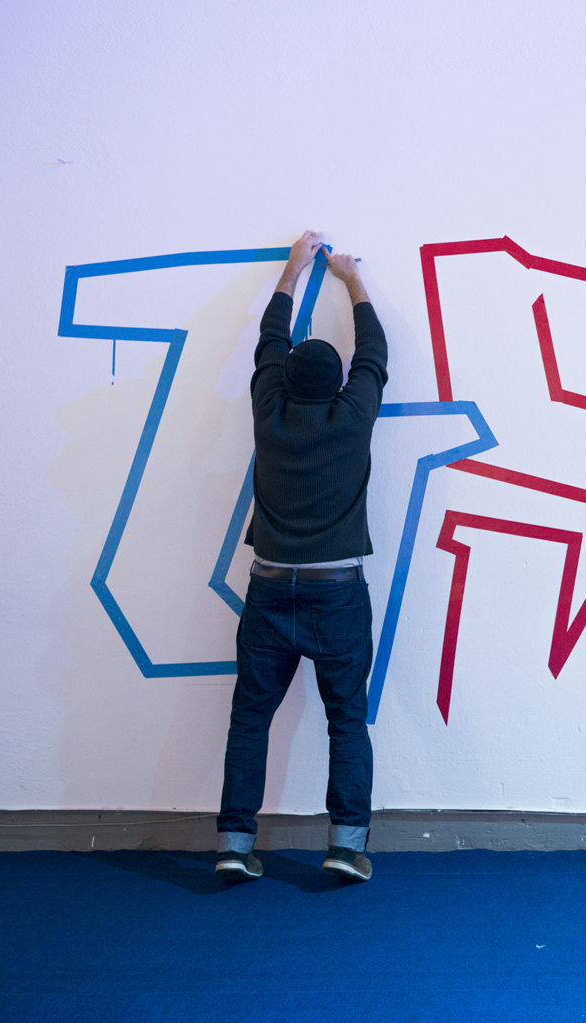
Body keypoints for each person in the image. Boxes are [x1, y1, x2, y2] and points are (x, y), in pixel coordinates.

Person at [214, 230, 387, 882]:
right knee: (347, 720)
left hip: (268, 590)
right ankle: (344, 847)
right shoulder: (353, 417)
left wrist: (291, 271)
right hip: (337, 593)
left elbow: (269, 341)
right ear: (342, 384)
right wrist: (352, 278)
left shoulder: (269, 413)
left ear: (283, 380)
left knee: (249, 719)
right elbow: (374, 352)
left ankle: (234, 845)